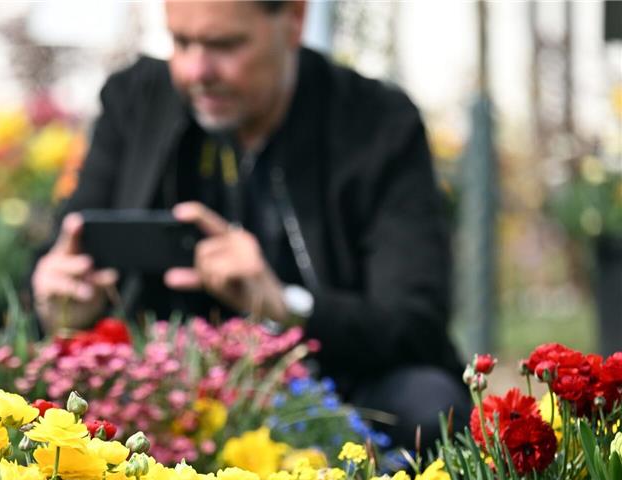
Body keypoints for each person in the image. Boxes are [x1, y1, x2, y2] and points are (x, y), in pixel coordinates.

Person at [31, 0, 469, 450]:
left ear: (294, 20)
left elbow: (415, 321)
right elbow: (61, 253)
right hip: (165, 394)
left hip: (337, 390)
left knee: (429, 405)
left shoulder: (376, 123)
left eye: (225, 44)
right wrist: (60, 303)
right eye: (180, 41)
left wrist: (285, 306)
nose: (196, 70)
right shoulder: (136, 102)